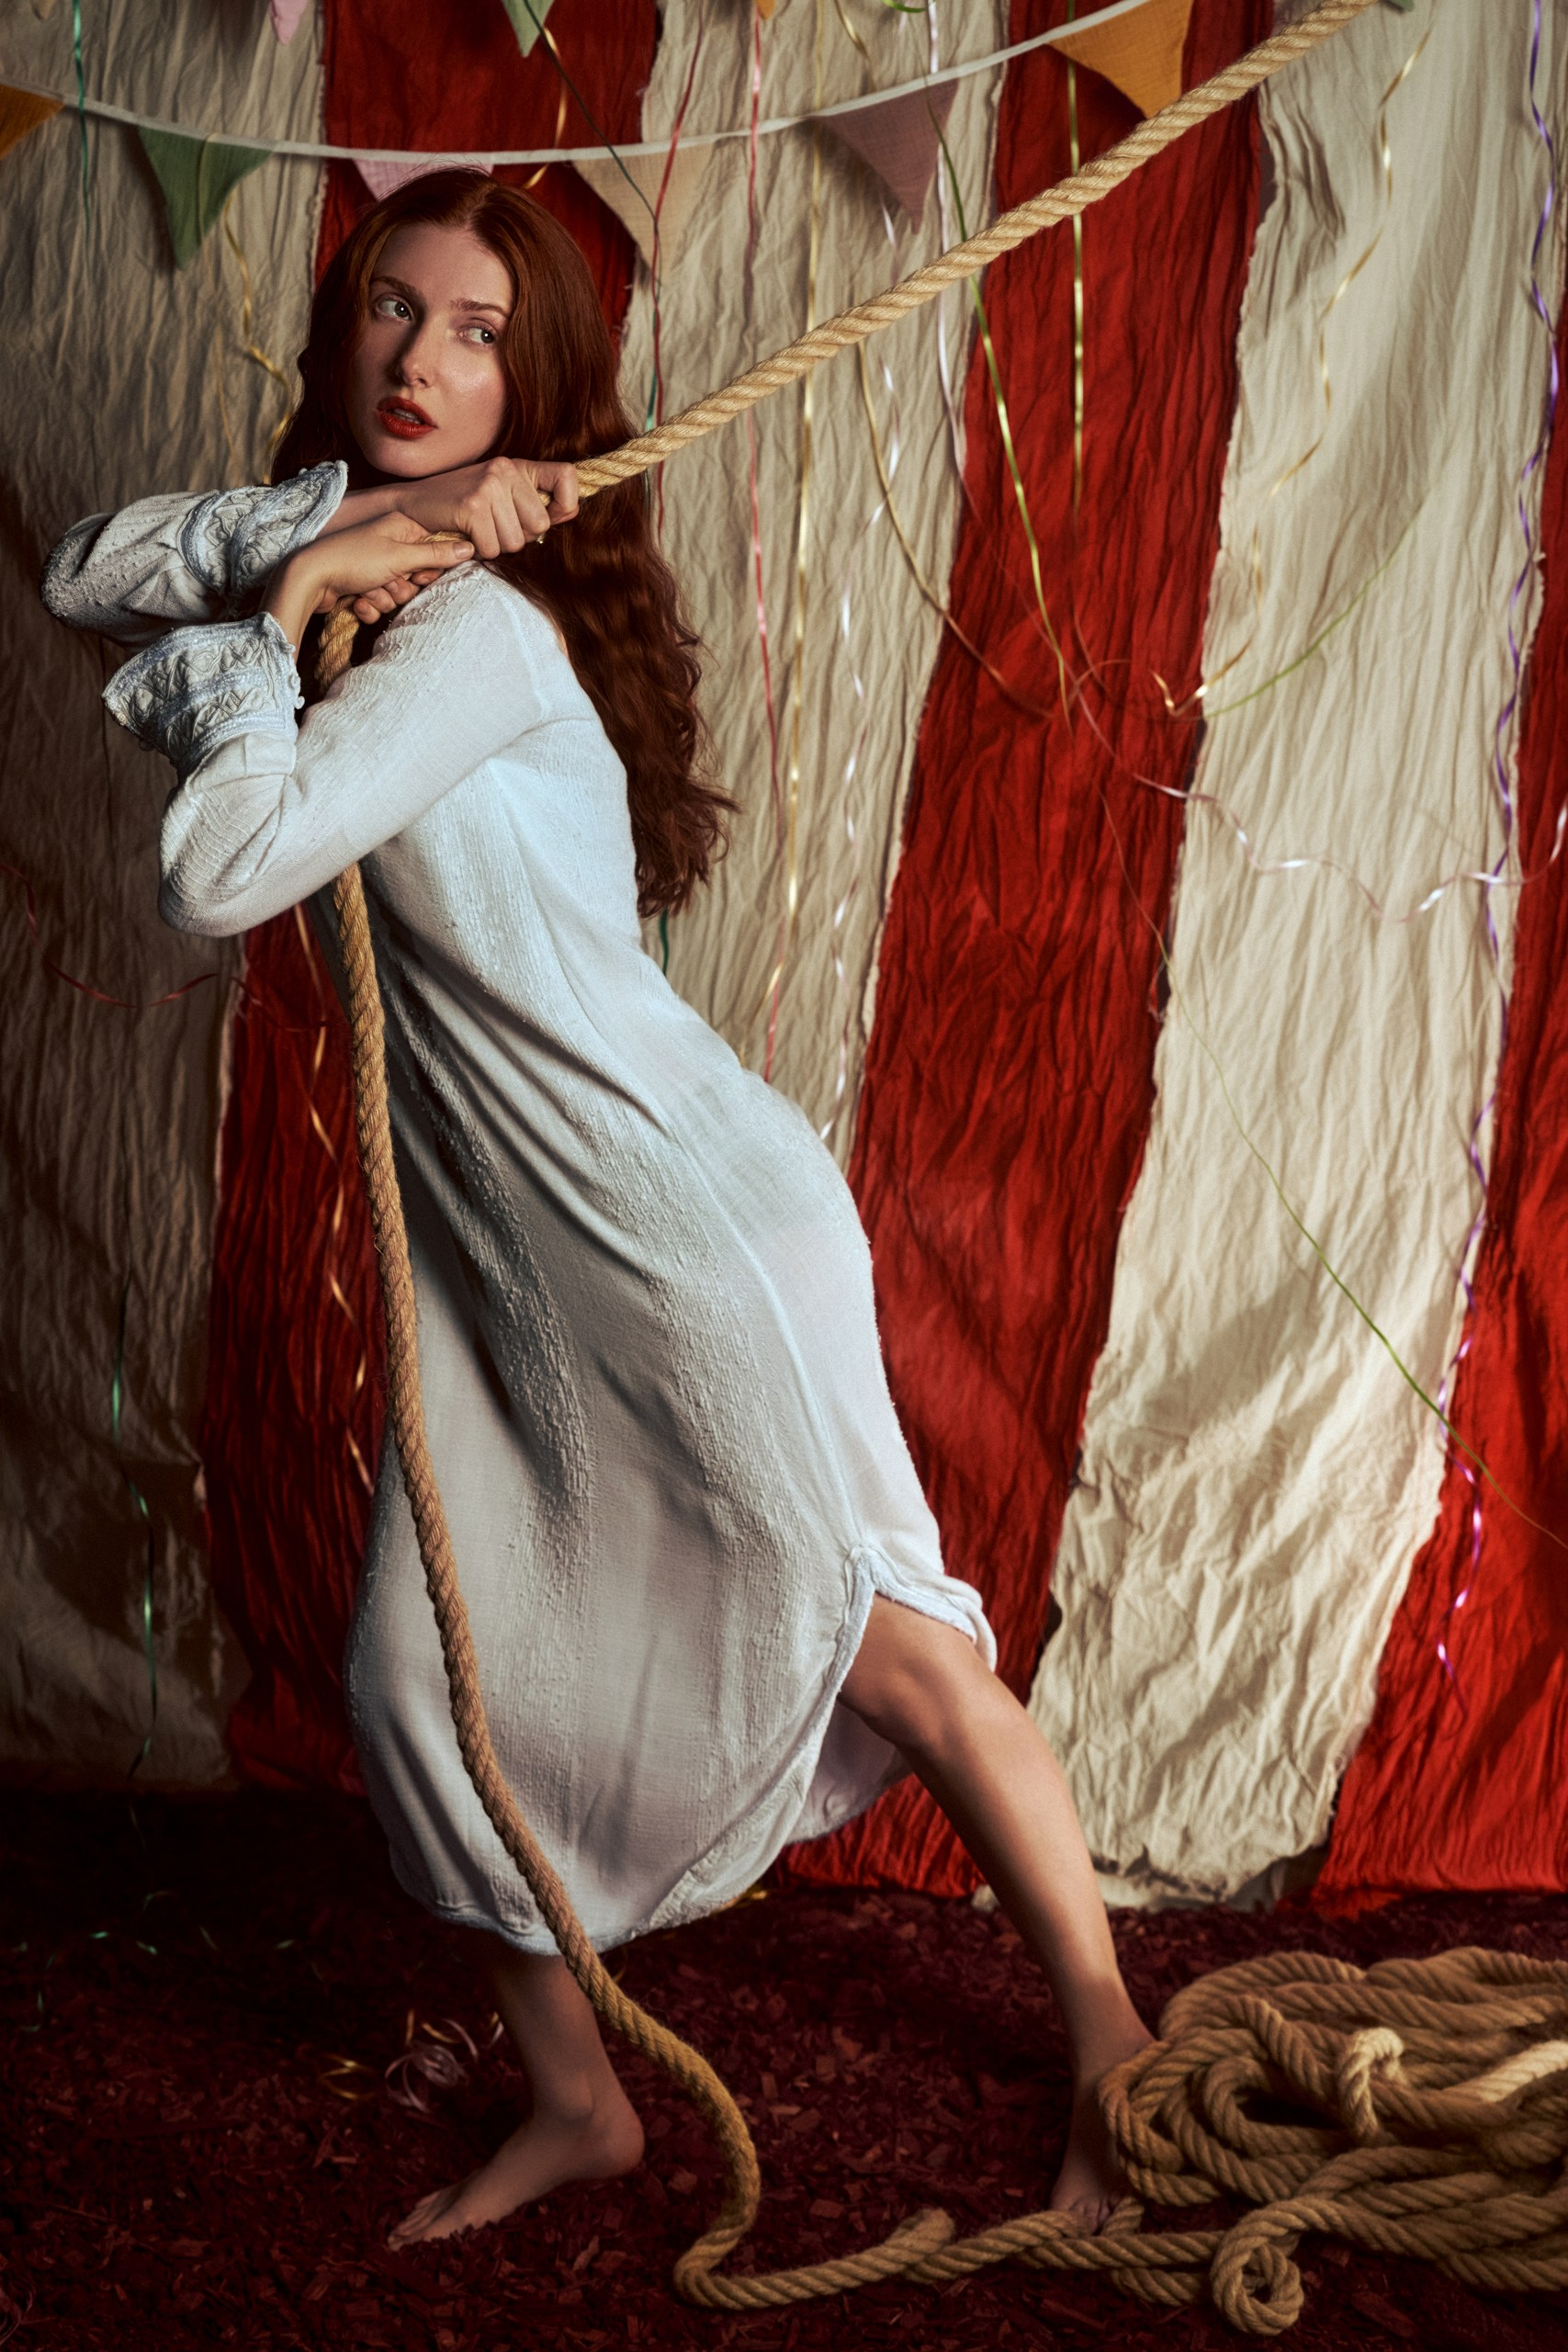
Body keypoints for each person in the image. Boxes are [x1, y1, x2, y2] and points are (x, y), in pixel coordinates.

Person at [42, 169, 1151, 2252]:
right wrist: (324, 535)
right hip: (508, 1261)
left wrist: (295, 618)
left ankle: (1116, 2061)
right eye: (391, 307)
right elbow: (95, 567)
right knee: (415, 1674)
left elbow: (221, 866)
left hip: (677, 1218)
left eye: (473, 333)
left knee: (898, 1651)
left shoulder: (471, 640)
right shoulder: (382, 568)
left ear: (535, 391)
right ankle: (583, 2103)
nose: (417, 359)